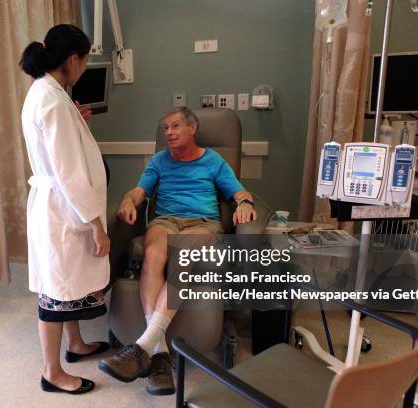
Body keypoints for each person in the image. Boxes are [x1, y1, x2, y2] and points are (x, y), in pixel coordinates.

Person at [99, 106, 257, 396]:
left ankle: (143, 347)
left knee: (182, 256)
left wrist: (245, 204)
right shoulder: (160, 161)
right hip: (165, 221)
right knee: (153, 256)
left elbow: (238, 192)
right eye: (165, 128)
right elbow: (139, 191)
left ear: (192, 128)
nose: (168, 133)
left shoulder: (213, 160)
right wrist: (127, 201)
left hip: (203, 224)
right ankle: (158, 352)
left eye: (175, 126)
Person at [20, 24, 110, 395]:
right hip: (63, 211)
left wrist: (76, 122)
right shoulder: (53, 101)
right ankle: (51, 372)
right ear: (73, 58)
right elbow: (69, 173)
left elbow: (58, 147)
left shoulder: (47, 93)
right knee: (56, 291)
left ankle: (75, 345)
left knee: (66, 285)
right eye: (86, 60)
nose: (85, 68)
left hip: (58, 207)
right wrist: (96, 225)